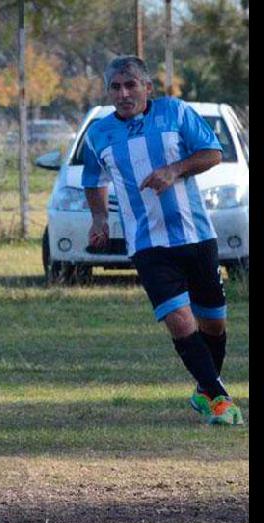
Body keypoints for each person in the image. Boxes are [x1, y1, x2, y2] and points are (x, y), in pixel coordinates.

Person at [83, 55, 243, 426]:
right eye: (116, 87)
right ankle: (219, 399)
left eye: (131, 85)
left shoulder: (176, 113)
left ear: (147, 87)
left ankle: (206, 390)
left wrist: (174, 169)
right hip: (147, 243)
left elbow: (212, 153)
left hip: (195, 234)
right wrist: (99, 218)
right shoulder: (98, 133)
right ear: (108, 92)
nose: (123, 94)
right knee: (179, 320)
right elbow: (93, 180)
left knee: (213, 323)